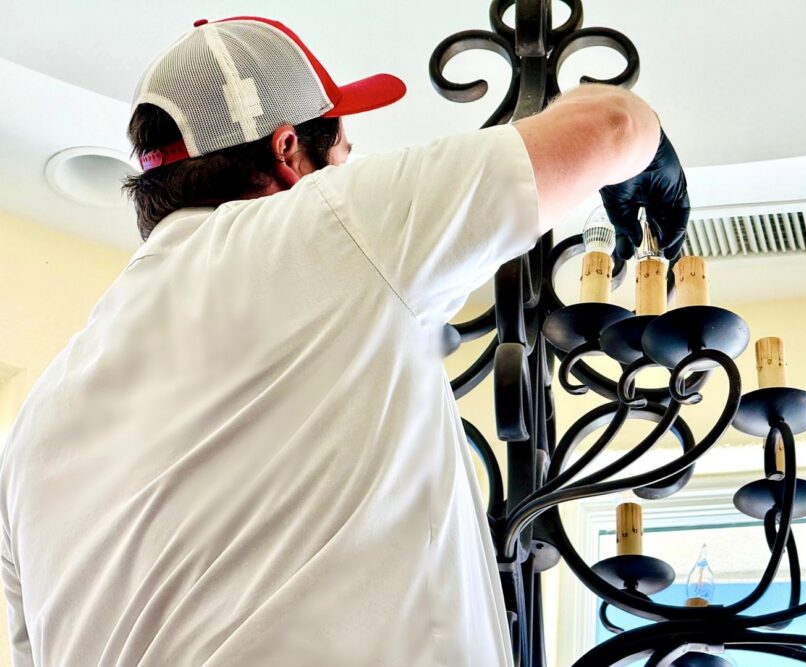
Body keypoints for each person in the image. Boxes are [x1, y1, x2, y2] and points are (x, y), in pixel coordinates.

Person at [0, 15, 689, 667]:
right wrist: (656, 173)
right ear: (288, 151)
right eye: (346, 151)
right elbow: (612, 121)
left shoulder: (31, 432)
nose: (351, 170)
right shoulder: (328, 229)